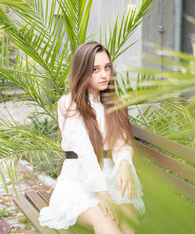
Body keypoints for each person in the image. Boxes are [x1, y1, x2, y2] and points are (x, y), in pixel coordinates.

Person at [39, 41, 145, 234]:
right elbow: (84, 152)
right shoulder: (69, 103)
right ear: (82, 71)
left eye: (107, 67)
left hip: (114, 180)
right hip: (80, 182)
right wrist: (102, 193)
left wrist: (124, 165)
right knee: (104, 220)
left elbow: (122, 142)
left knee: (129, 224)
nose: (104, 74)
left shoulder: (114, 103)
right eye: (95, 69)